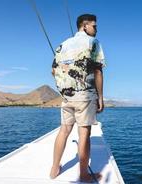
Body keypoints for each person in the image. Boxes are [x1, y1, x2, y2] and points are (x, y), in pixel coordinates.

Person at [49, 14, 105, 182]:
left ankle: (54, 169)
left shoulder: (62, 45)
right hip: (85, 96)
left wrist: (65, 85)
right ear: (85, 25)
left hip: (67, 96)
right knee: (84, 133)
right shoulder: (93, 42)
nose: (96, 29)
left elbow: (53, 70)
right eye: (94, 26)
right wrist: (100, 97)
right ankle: (83, 174)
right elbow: (97, 71)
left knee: (64, 130)